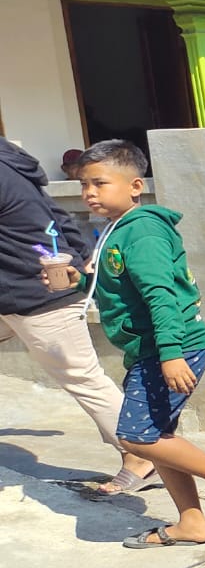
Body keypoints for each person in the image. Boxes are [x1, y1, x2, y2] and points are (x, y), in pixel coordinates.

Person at [56, 141, 205, 549]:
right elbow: (121, 290)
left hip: (170, 348)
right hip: (154, 349)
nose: (89, 193)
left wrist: (170, 355)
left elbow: (160, 297)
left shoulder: (142, 231)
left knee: (136, 437)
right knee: (159, 434)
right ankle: (191, 522)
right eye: (83, 186)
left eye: (99, 183)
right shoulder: (118, 228)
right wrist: (79, 283)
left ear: (134, 185)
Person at [0, 136, 154, 493]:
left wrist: (80, 261)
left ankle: (143, 451)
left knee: (83, 377)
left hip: (35, 290)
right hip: (24, 285)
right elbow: (54, 212)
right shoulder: (12, 161)